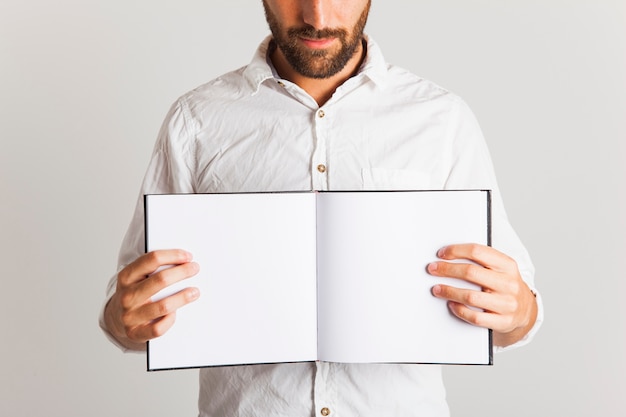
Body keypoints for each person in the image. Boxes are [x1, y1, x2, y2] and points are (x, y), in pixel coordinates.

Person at [100, 1, 543, 415]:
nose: (316, 15)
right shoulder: (195, 120)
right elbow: (132, 307)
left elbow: (513, 316)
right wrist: (124, 321)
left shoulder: (442, 120)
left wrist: (519, 312)